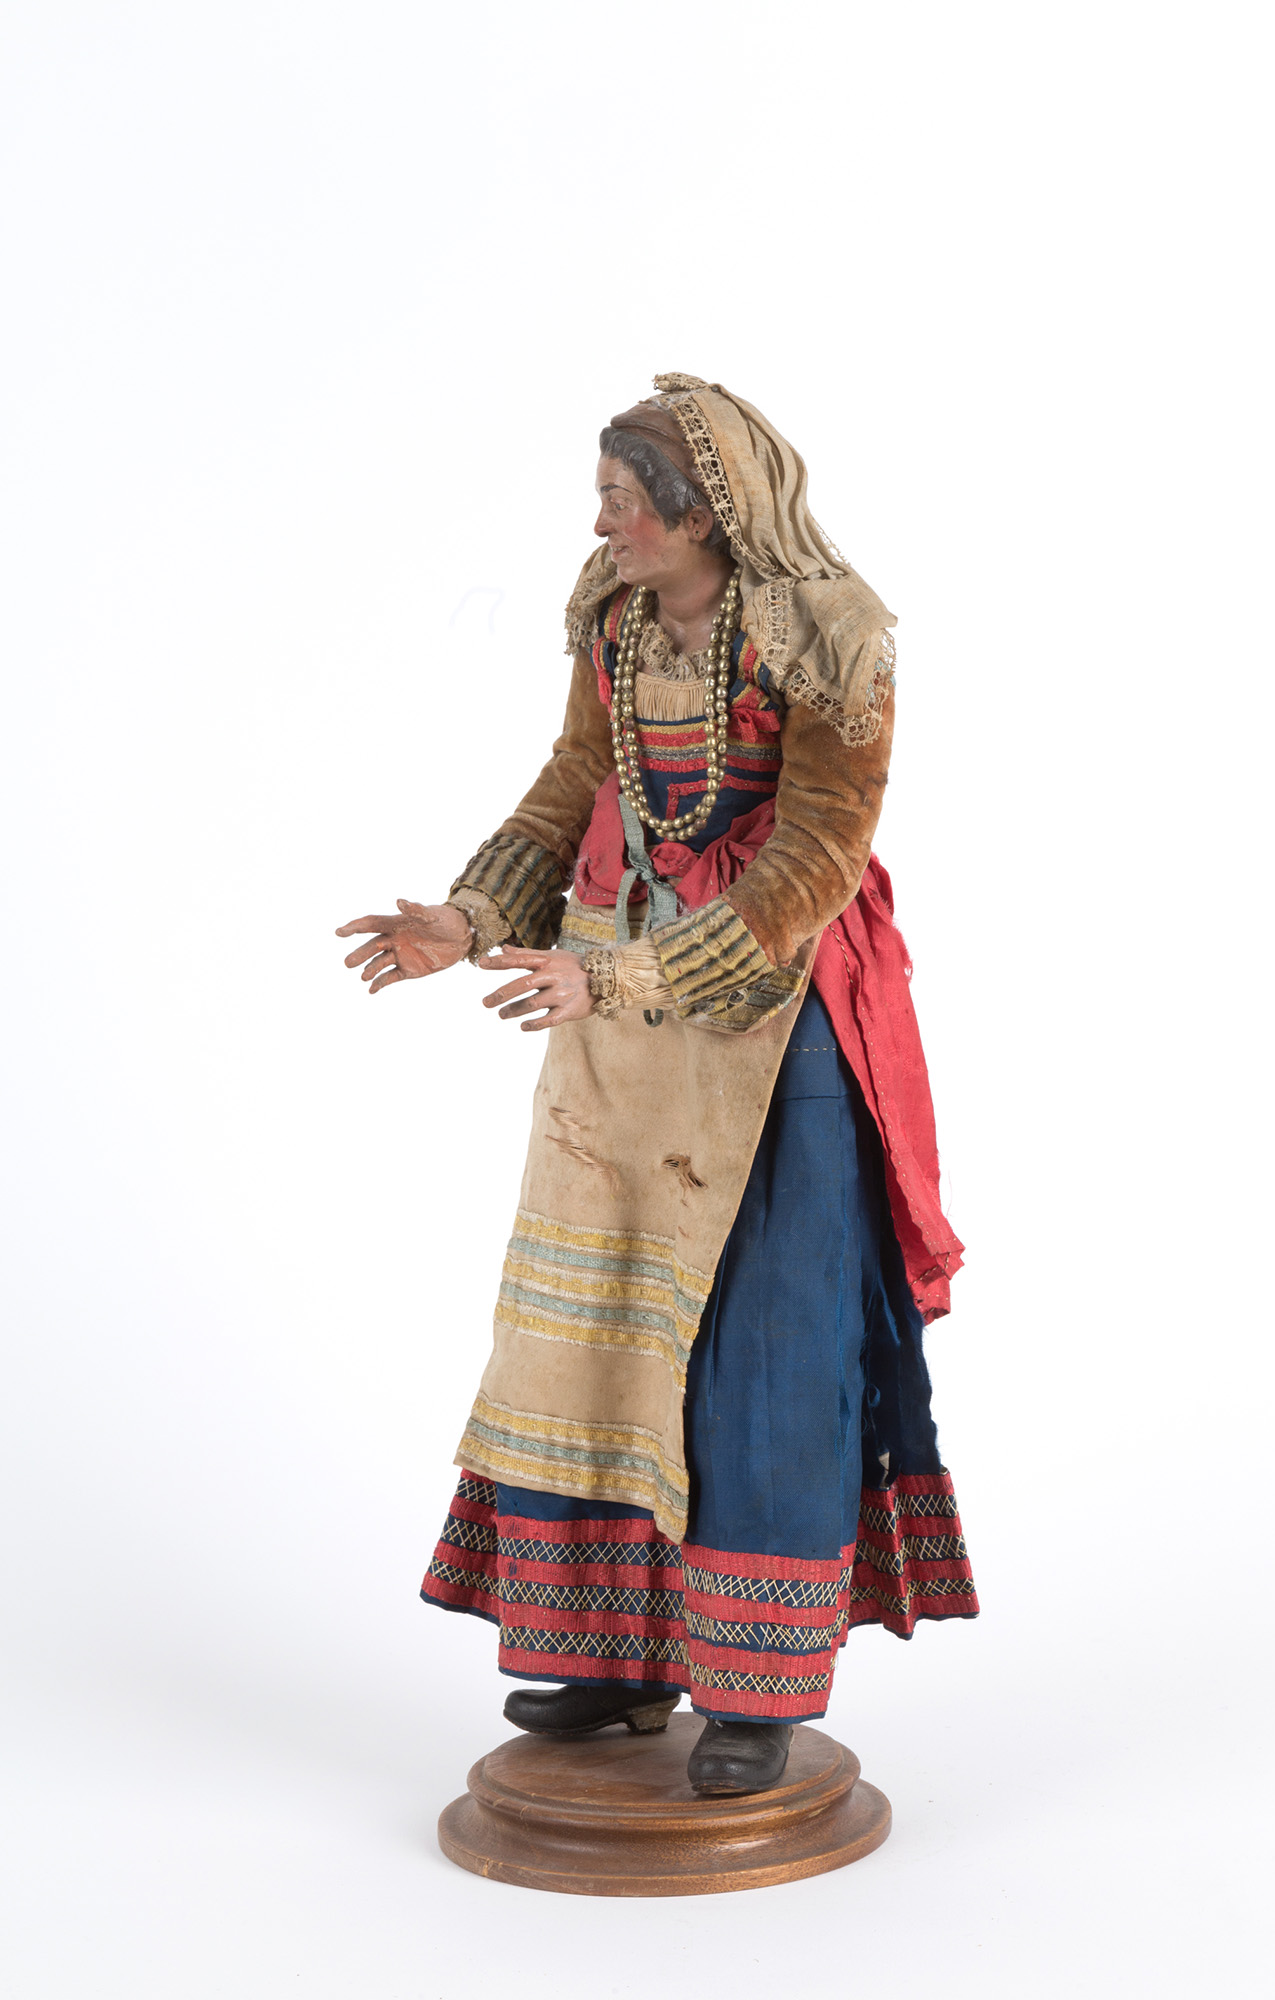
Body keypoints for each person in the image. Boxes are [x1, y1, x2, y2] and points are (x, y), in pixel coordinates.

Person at [337, 374, 976, 1797]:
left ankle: (754, 1688)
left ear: (703, 510)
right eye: (603, 500)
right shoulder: (616, 623)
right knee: (605, 1328)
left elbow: (814, 859)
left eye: (621, 502)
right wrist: (467, 919)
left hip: (774, 1019)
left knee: (761, 1346)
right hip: (608, 1015)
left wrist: (624, 975)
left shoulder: (832, 634)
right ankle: (616, 1658)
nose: (600, 525)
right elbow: (572, 786)